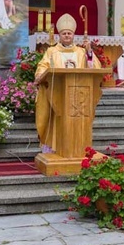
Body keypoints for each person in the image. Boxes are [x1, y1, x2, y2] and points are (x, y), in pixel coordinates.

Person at [33, 13, 101, 151]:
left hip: (79, 96)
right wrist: (40, 75)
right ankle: (56, 148)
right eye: (64, 33)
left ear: (73, 35)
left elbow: (93, 68)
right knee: (57, 119)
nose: (67, 36)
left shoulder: (82, 52)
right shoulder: (52, 51)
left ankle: (77, 148)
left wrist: (89, 53)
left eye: (69, 33)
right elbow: (42, 67)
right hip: (57, 94)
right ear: (59, 35)